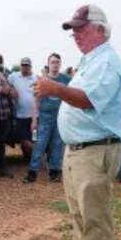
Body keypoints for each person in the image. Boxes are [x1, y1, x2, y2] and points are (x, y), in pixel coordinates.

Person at [36, 4, 121, 240]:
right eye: (72, 29)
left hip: (96, 148)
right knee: (78, 210)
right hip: (79, 148)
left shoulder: (107, 63)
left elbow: (89, 100)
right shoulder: (91, 60)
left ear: (100, 29)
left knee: (94, 211)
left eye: (80, 28)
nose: (75, 34)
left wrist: (55, 88)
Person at [26, 53, 71, 184]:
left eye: (57, 62)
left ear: (60, 64)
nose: (55, 64)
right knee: (40, 144)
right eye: (52, 62)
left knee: (57, 145)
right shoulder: (42, 80)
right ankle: (32, 172)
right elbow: (35, 101)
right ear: (48, 63)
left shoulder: (66, 79)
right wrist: (34, 120)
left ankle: (54, 172)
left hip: (61, 117)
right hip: (45, 117)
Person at [8, 57, 38, 161]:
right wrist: (11, 89)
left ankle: (31, 159)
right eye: (23, 65)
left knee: (34, 138)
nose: (25, 67)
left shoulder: (36, 78)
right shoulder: (13, 76)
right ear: (20, 66)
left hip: (35, 116)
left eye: (27, 65)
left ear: (30, 66)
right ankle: (38, 154)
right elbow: (7, 85)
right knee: (22, 139)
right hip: (20, 116)